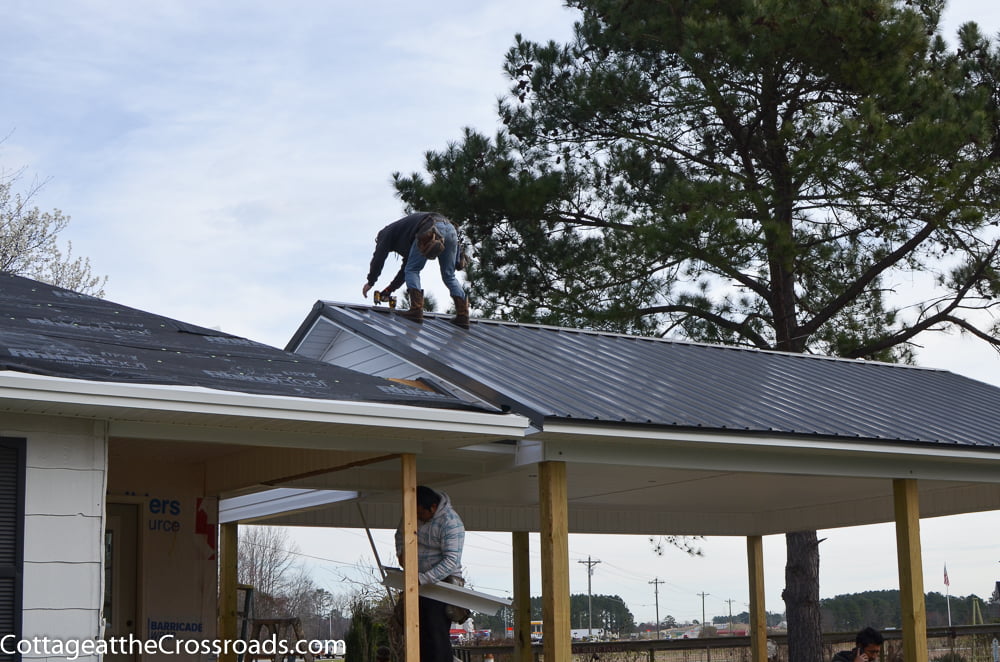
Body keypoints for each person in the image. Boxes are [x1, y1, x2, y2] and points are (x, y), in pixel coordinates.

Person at [394, 485, 466, 662]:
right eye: (415, 514)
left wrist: (421, 579)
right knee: (415, 630)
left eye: (421, 514)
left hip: (442, 582)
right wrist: (401, 554)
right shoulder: (412, 514)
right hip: (417, 581)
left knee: (435, 632)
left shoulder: (451, 523)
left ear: (433, 507)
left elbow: (451, 561)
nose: (418, 518)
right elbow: (399, 535)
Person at [362, 212, 470, 329]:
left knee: (413, 270)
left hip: (431, 227)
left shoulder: (384, 234)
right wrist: (389, 290)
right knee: (449, 275)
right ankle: (463, 316)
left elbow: (378, 258)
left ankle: (416, 310)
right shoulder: (404, 236)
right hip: (451, 229)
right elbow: (404, 271)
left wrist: (370, 282)